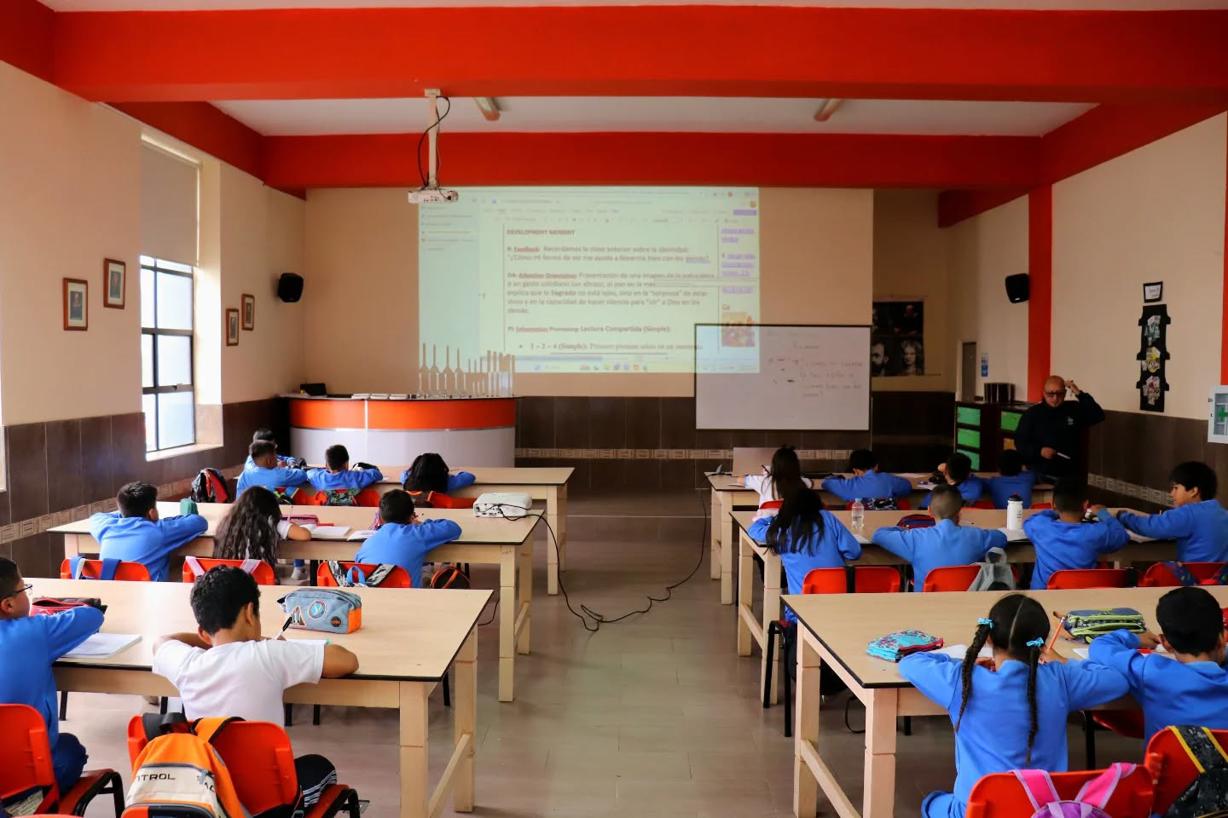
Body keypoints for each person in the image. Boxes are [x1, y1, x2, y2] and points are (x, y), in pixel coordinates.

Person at [899, 594, 1129, 818]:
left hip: (979, 810)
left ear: (988, 639)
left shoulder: (962, 680)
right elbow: (1117, 680)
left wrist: (963, 662)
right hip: (1045, 810)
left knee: (931, 802)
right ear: (1042, 644)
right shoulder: (1060, 679)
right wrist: (1062, 660)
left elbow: (911, 663)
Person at [152, 567, 358, 807]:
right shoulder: (268, 654)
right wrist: (264, 642)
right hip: (269, 802)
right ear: (250, 613)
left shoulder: (187, 664)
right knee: (321, 766)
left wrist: (212, 637)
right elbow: (347, 661)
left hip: (210, 797)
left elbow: (161, 642)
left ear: (203, 632)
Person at [0, 558, 103, 795]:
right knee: (70, 750)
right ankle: (25, 801)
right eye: (24, 589)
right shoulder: (35, 632)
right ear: (8, 605)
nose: (28, 595)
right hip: (22, 772)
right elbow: (92, 616)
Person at [1089, 586, 1228, 742]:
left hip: (1169, 766)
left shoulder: (1152, 673)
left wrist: (1134, 638)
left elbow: (1100, 647)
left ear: (1165, 643)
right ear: (1222, 637)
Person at [747, 486, 860, 617]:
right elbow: (854, 552)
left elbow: (753, 530)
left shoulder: (784, 527)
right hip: (839, 606)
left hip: (800, 613)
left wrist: (771, 518)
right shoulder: (828, 518)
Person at [871, 485, 1006, 591]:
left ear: (929, 511)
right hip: (967, 603)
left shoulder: (915, 538)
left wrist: (903, 529)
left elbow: (878, 535)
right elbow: (1002, 538)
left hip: (925, 607)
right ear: (960, 511)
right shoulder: (977, 536)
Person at [89, 481, 208, 581]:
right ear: (152, 512)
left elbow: (95, 517)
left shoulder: (106, 526)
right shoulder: (159, 531)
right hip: (151, 602)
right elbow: (199, 522)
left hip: (109, 602)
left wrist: (126, 514)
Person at [1114, 461, 1228, 563]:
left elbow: (1151, 526)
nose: (1172, 493)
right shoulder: (1222, 513)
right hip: (1221, 581)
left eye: (1176, 488)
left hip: (1194, 579)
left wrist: (1121, 516)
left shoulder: (1188, 513)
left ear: (1193, 491)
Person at [1024, 480, 1128, 589]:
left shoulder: (1040, 526)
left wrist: (1055, 511)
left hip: (1043, 599)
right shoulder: (1096, 532)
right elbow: (1121, 535)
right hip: (1083, 598)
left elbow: (1030, 521)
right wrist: (1103, 514)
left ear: (1054, 505)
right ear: (1085, 505)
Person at [355, 490, 463, 587]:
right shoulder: (417, 533)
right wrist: (423, 524)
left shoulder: (367, 543)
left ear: (381, 517)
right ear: (411, 515)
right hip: (410, 600)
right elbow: (454, 528)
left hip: (372, 603)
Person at [1014, 376, 1105, 481]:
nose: (1055, 398)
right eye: (1050, 394)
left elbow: (1098, 415)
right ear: (1044, 393)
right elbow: (1020, 442)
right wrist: (1040, 451)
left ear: (1065, 393)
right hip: (1040, 473)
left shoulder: (1073, 409)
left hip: (1070, 474)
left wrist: (1079, 393)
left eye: (1059, 394)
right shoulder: (1032, 413)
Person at [213, 486, 311, 568]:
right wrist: (289, 524)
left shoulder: (228, 524)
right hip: (260, 578)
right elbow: (305, 535)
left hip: (230, 578)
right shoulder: (271, 522)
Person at [820, 449, 912, 506]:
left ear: (855, 470)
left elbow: (825, 483)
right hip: (888, 523)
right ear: (876, 466)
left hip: (859, 524)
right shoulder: (888, 479)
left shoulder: (849, 485)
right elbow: (907, 487)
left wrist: (837, 478)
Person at [305, 444, 384, 505]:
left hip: (326, 515)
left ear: (327, 465)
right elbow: (377, 474)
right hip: (353, 513)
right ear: (346, 464)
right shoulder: (355, 477)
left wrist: (321, 471)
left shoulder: (319, 478)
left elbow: (308, 473)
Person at [743, 445, 812, 512]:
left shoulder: (764, 481)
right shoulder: (804, 483)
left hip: (768, 522)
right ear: (796, 465)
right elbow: (810, 482)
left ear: (774, 465)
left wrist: (768, 474)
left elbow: (741, 480)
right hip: (793, 523)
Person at [237, 440, 311, 500]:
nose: (277, 460)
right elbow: (302, 475)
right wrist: (288, 468)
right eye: (276, 457)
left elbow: (239, 498)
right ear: (269, 461)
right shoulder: (279, 474)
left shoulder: (244, 476)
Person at [400, 453, 476, 509]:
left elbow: (404, 473)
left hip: (410, 513)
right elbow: (470, 477)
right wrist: (451, 475)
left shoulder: (406, 478)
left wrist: (415, 471)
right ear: (441, 468)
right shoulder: (447, 481)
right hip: (439, 513)